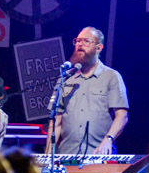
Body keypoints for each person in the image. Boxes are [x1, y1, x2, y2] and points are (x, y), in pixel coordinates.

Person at [48, 27, 129, 156]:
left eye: (86, 41)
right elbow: (55, 120)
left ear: (99, 48)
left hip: (99, 156)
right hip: (67, 156)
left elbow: (122, 116)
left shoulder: (111, 76)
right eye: (78, 40)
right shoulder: (66, 78)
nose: (80, 44)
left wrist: (108, 140)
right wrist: (48, 156)